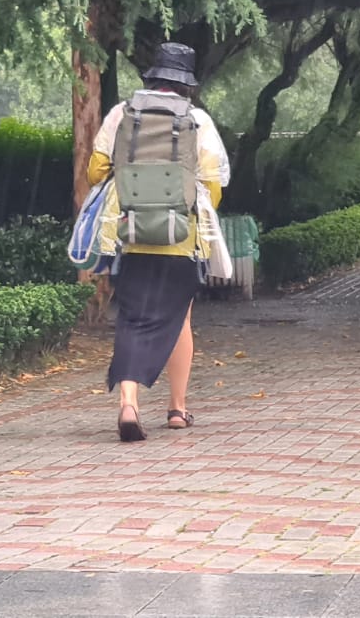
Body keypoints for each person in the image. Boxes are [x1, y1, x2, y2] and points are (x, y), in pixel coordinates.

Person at [86, 42, 232, 442]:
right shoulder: (198, 120)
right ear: (186, 84)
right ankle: (177, 409)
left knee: (132, 317)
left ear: (152, 78)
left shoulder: (122, 113)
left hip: (129, 233)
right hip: (181, 239)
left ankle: (128, 404)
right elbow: (214, 185)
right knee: (179, 318)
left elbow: (96, 170)